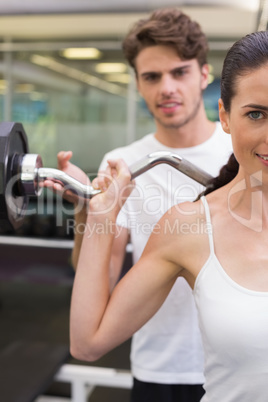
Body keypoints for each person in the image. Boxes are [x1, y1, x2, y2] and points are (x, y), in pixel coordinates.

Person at [60, 29, 268, 401]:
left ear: (202, 75)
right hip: (164, 367)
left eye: (179, 72)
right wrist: (92, 210)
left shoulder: (234, 149)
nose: (166, 88)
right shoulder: (131, 172)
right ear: (226, 115)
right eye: (256, 115)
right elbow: (93, 311)